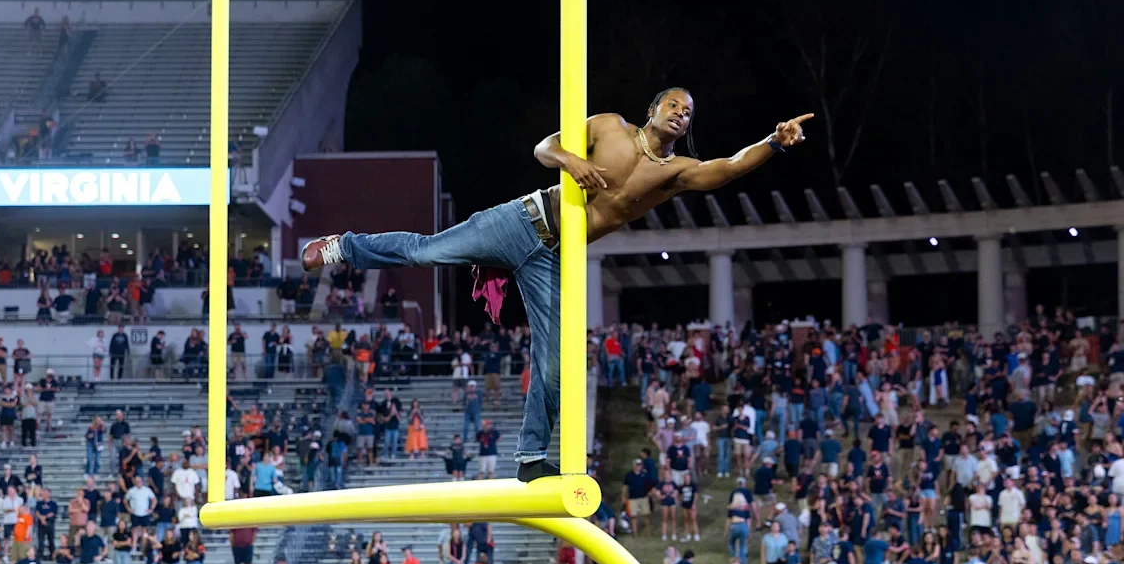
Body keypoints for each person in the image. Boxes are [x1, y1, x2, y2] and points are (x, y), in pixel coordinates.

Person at [301, 92, 811, 481]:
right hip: (522, 220)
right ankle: (343, 247)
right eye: (674, 105)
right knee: (425, 251)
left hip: (552, 257)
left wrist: (772, 142)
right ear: (654, 109)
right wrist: (574, 161)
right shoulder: (610, 126)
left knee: (554, 362)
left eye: (689, 112)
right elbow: (546, 146)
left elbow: (727, 168)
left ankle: (529, 457)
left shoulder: (675, 171)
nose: (681, 113)